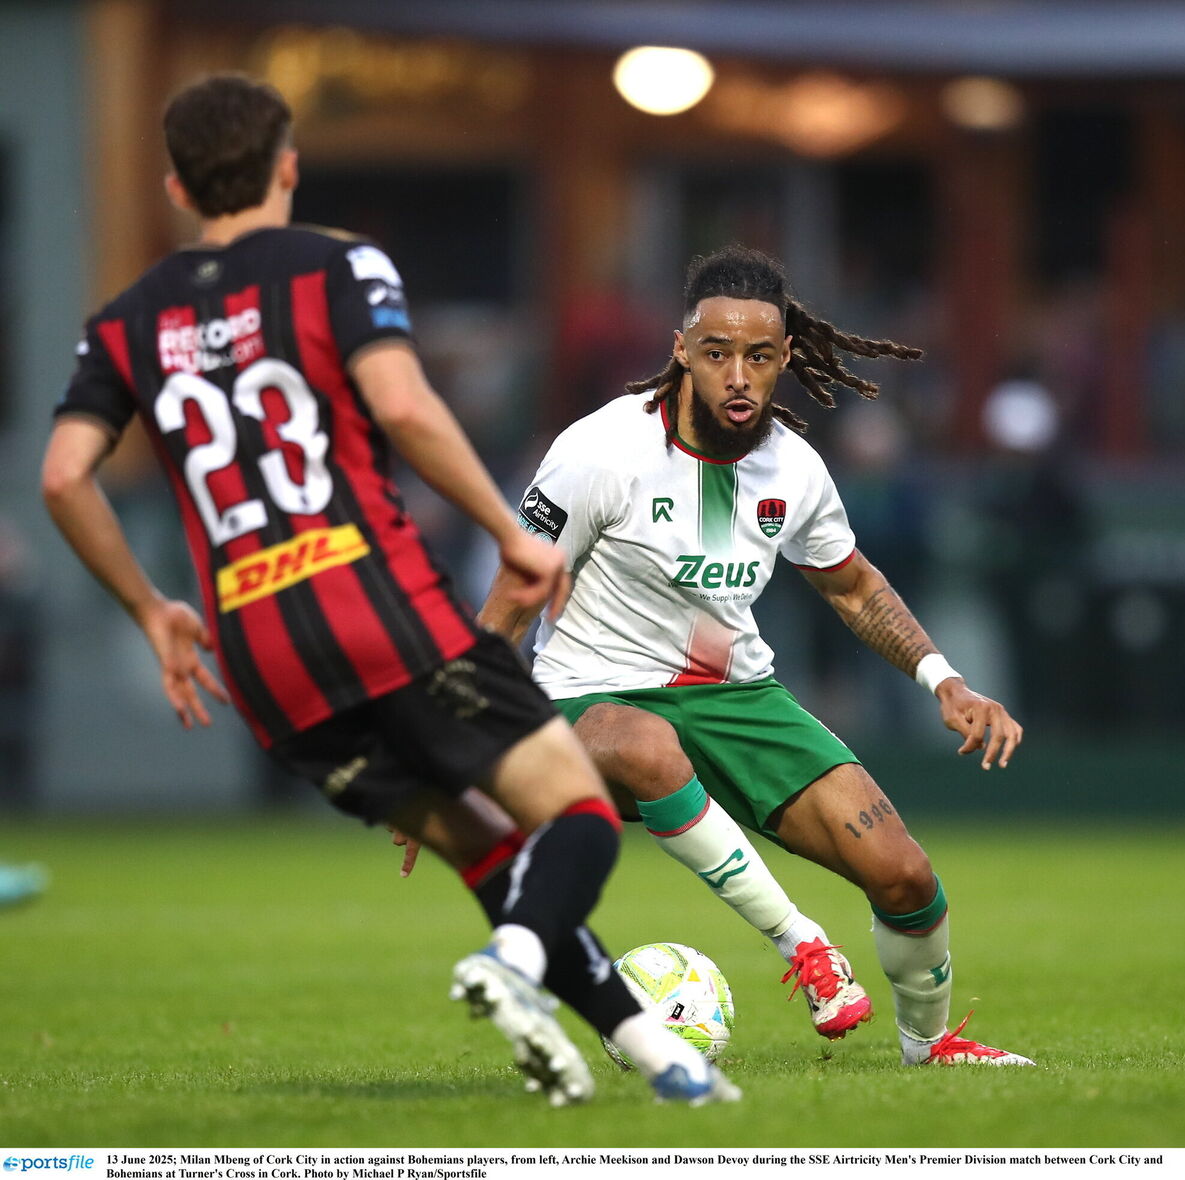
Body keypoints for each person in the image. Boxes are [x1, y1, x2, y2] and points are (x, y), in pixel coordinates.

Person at [40, 73, 739, 1106]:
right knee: (581, 814)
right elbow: (404, 407)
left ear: (176, 186)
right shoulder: (336, 265)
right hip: (378, 612)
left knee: (488, 850)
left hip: (264, 665)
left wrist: (152, 607)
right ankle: (514, 965)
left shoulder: (124, 323)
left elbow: (61, 475)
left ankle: (660, 1059)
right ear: (287, 166)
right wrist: (512, 533)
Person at [481, 244, 1035, 1067]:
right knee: (644, 743)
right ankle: (802, 943)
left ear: (783, 358)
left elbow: (852, 587)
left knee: (906, 879)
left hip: (734, 698)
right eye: (716, 353)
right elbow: (512, 601)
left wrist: (943, 680)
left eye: (758, 356)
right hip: (584, 702)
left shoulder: (795, 469)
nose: (737, 374)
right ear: (681, 351)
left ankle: (930, 1047)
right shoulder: (599, 452)